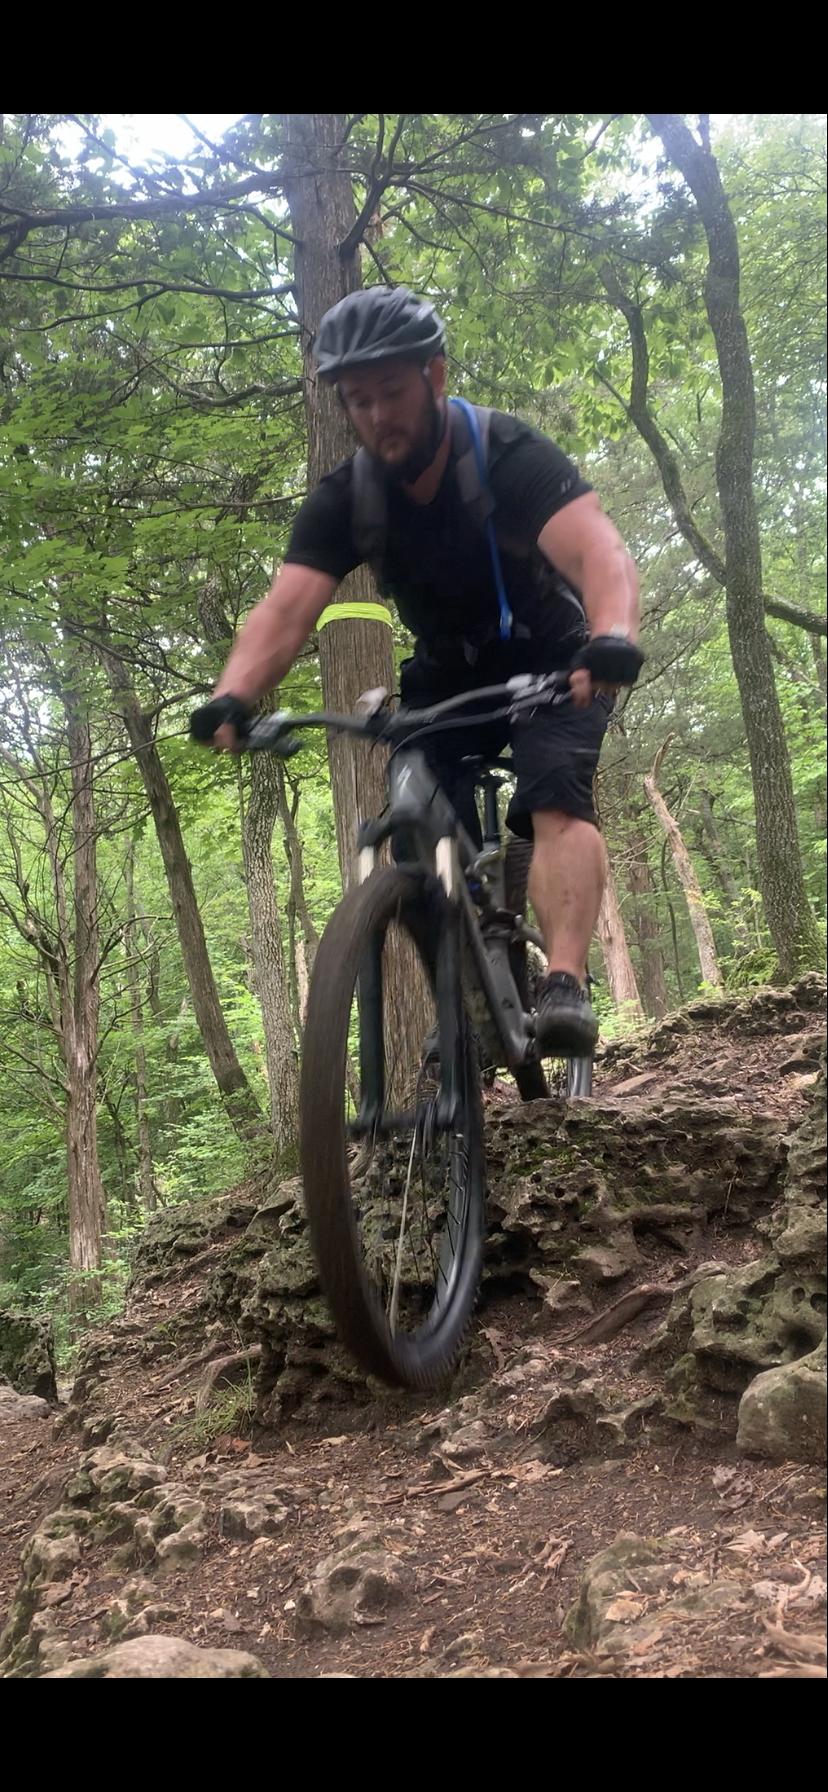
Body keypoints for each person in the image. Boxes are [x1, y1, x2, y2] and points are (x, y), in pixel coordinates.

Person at [200, 286, 642, 1056]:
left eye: (392, 392)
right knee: (411, 823)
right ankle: (467, 990)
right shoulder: (347, 497)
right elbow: (284, 611)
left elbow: (597, 550)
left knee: (554, 800)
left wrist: (612, 636)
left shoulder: (509, 454)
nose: (376, 416)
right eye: (357, 400)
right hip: (447, 673)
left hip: (553, 659)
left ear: (434, 376)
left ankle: (564, 983)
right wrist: (233, 694)